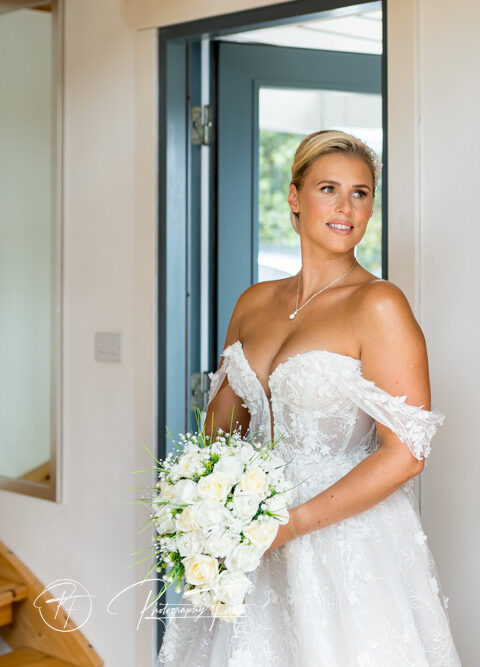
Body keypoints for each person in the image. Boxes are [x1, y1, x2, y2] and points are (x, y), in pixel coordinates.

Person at [156, 130, 461, 666]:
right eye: (328, 188)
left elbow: (406, 453)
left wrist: (289, 524)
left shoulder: (380, 304)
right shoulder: (254, 302)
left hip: (342, 545)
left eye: (361, 193)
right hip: (249, 543)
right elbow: (222, 430)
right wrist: (207, 506)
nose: (346, 207)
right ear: (294, 198)